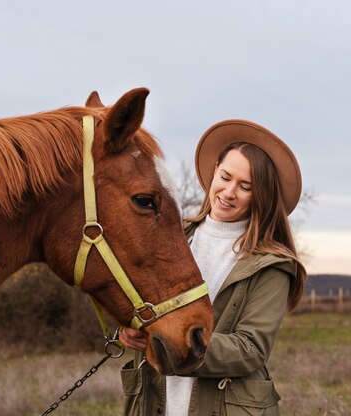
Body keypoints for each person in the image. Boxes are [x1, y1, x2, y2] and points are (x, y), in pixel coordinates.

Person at [119, 119, 307, 416]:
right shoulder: (174, 236)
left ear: (262, 196)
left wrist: (168, 345)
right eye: (225, 176)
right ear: (214, 171)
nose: (229, 192)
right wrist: (129, 330)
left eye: (245, 186)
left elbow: (250, 349)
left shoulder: (272, 265)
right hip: (157, 402)